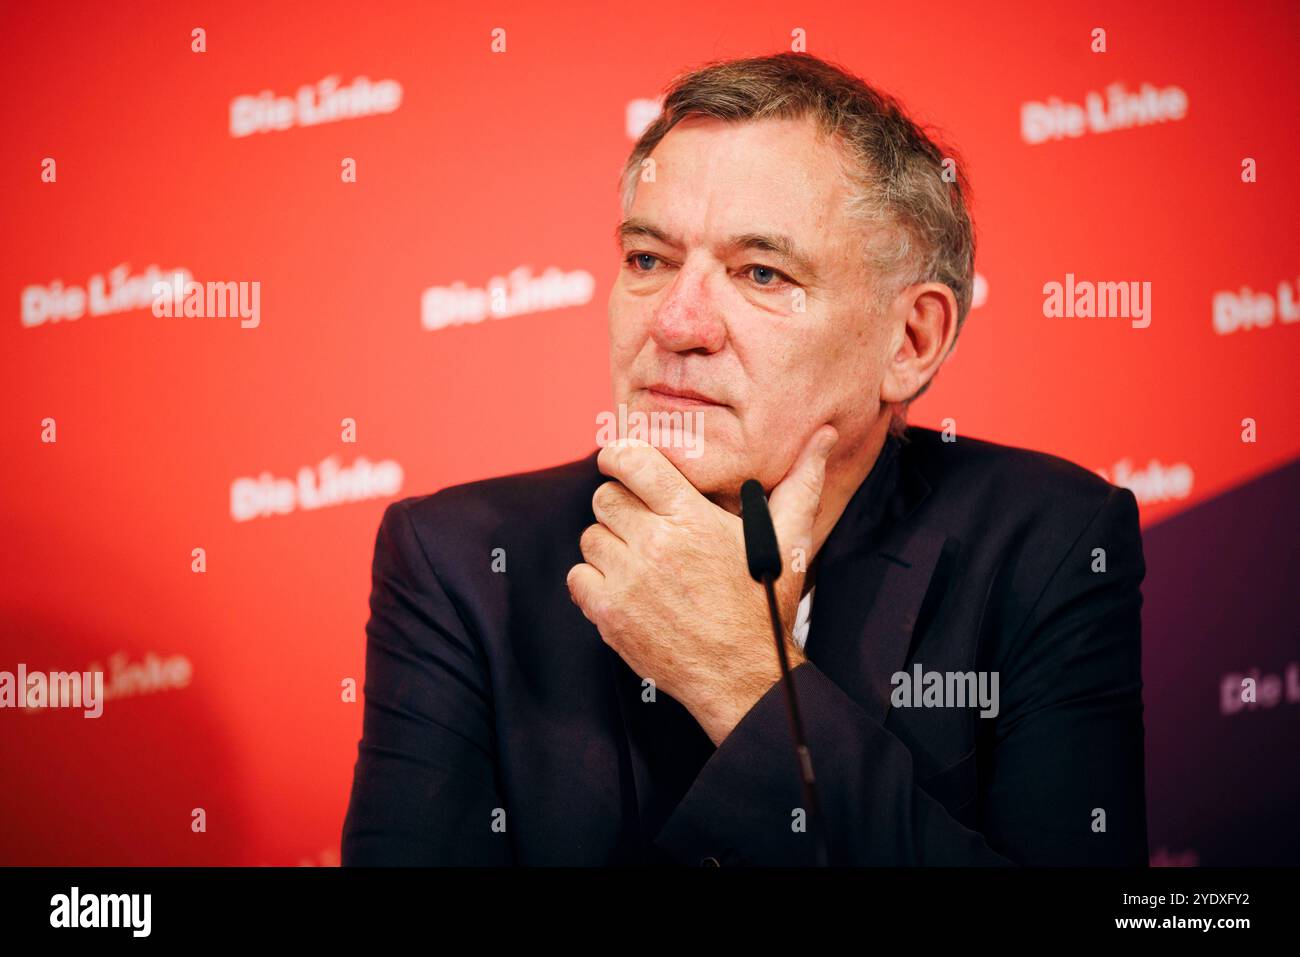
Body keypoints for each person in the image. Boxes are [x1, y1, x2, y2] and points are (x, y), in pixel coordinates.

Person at [341, 52, 1148, 866]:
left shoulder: (1050, 544)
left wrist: (748, 682)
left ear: (911, 340)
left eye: (762, 272)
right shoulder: (459, 562)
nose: (676, 323)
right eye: (648, 260)